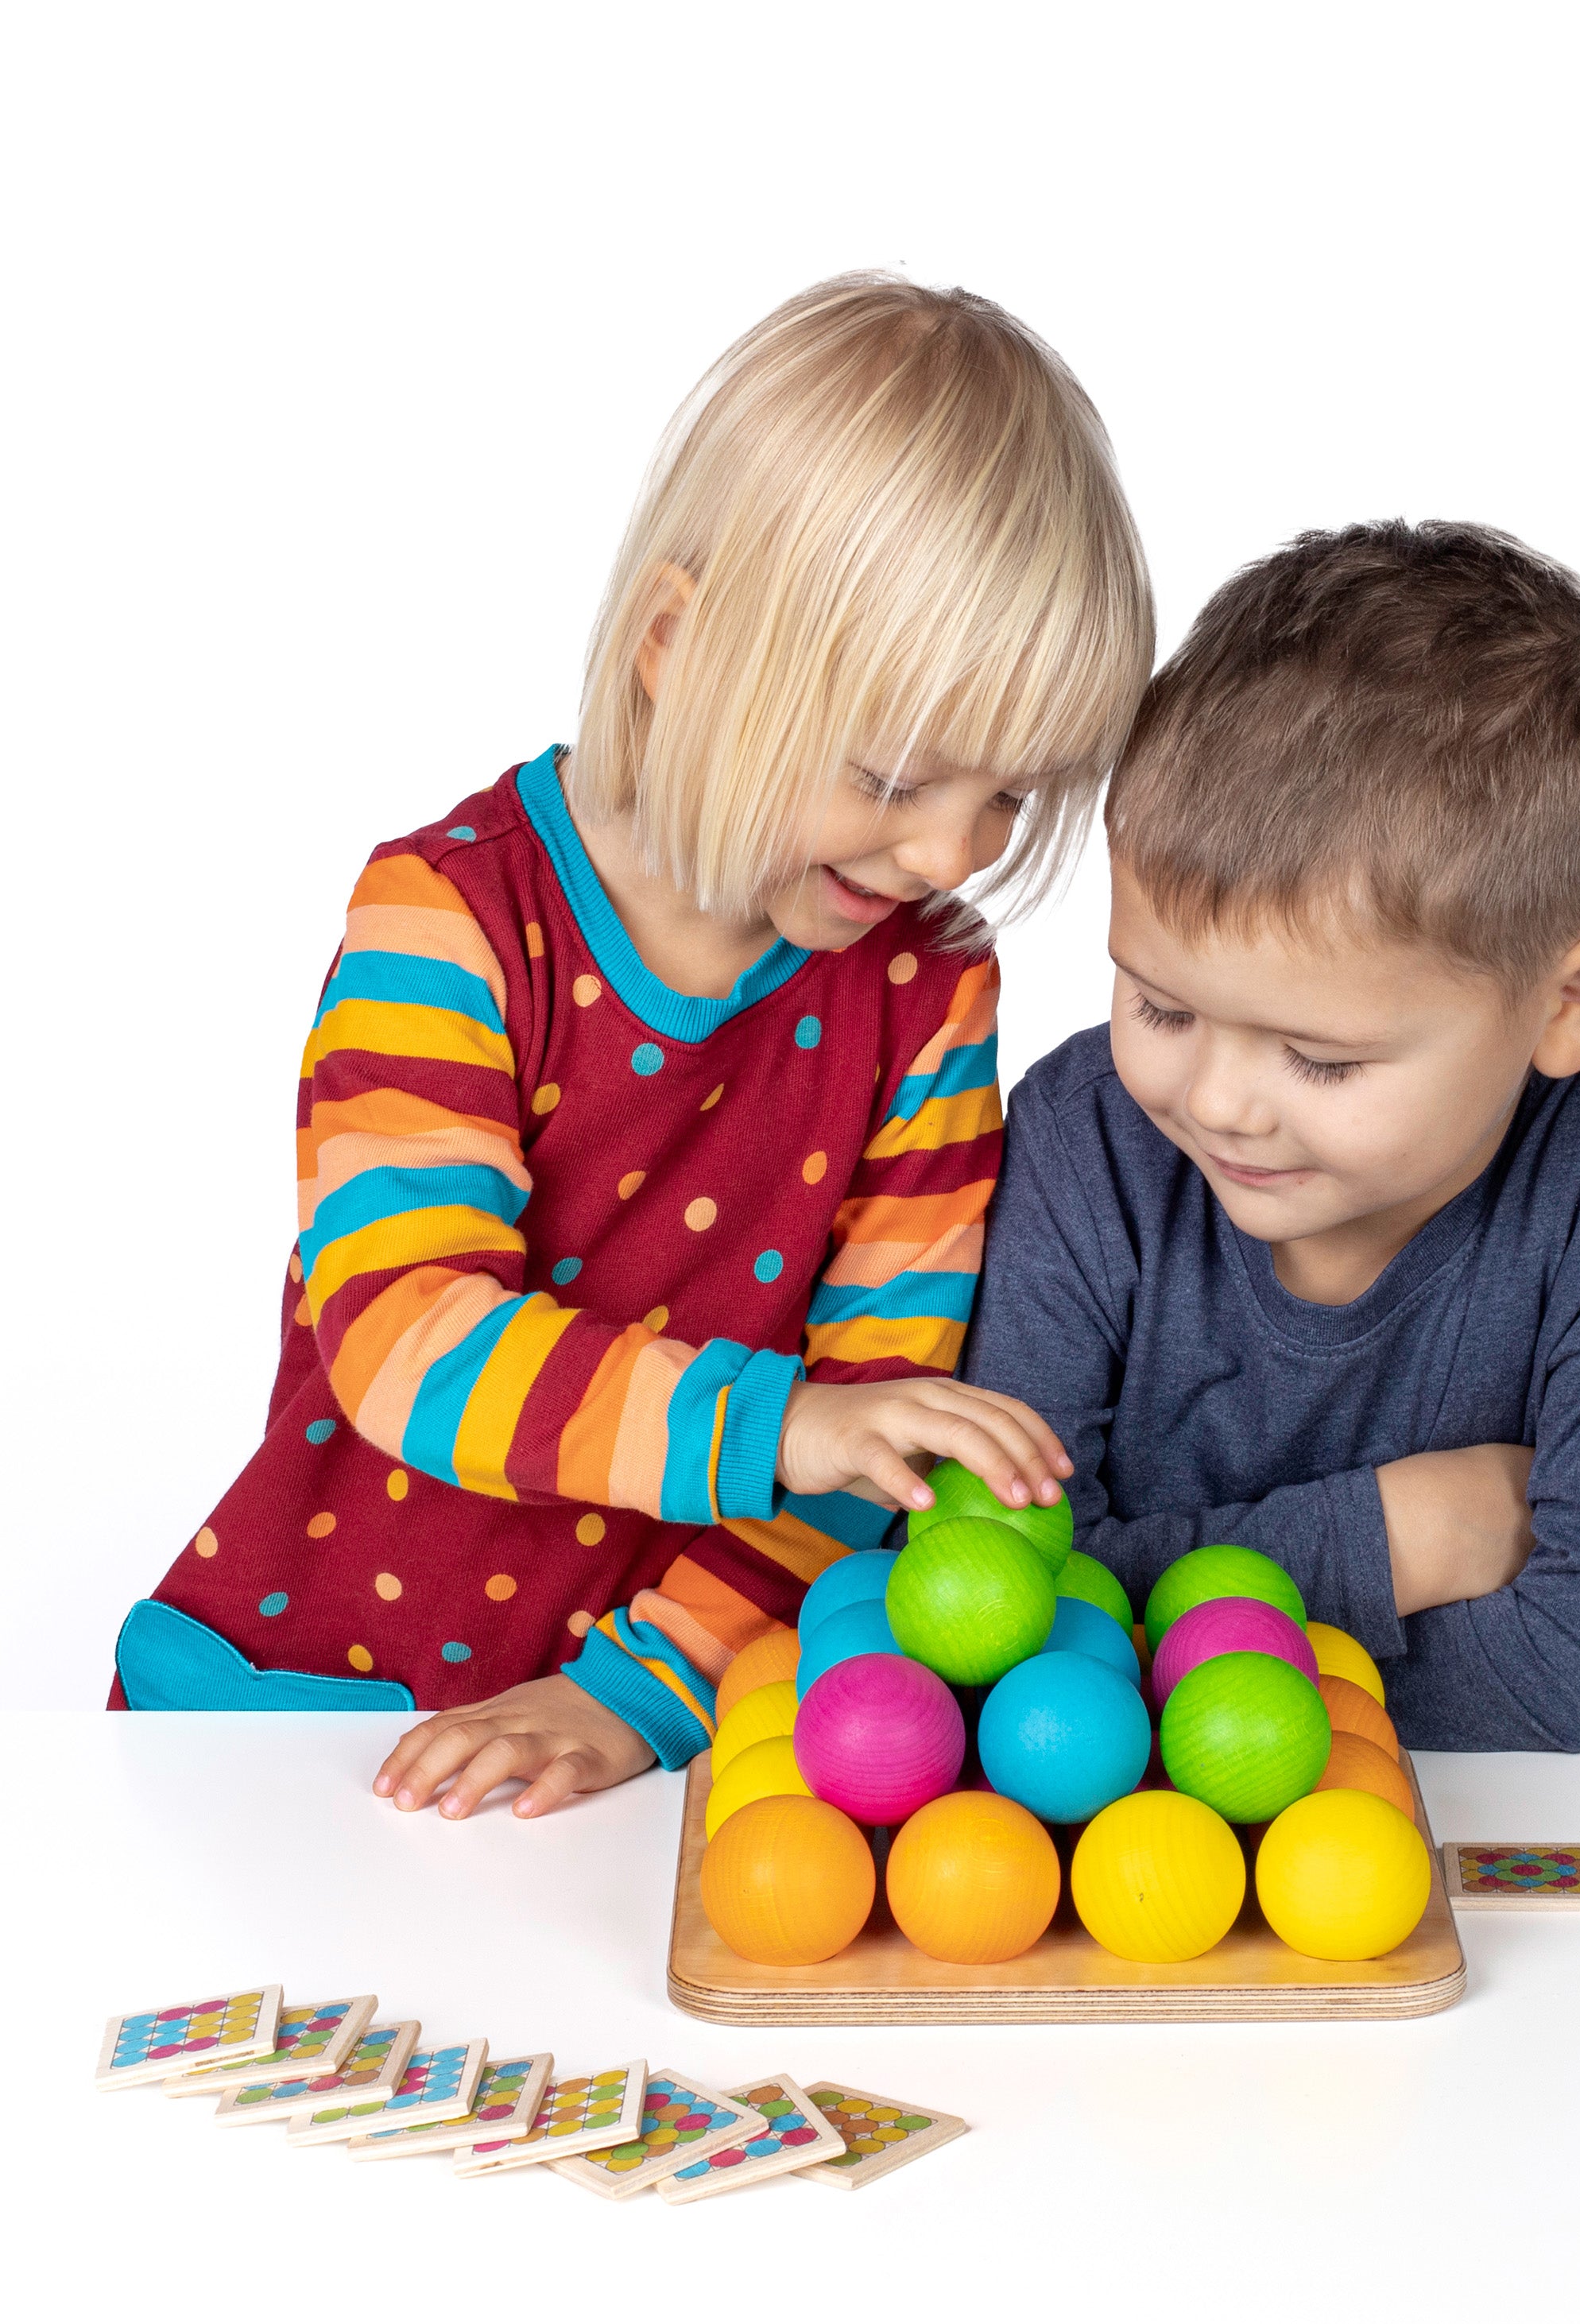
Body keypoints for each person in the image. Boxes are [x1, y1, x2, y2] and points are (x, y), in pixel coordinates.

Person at [117, 273, 1153, 1819]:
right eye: (892, 776)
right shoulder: (455, 917)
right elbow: (405, 1336)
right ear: (678, 642)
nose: (949, 851)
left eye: (1008, 795)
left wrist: (643, 1691)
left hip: (656, 1733)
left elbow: (885, 1419)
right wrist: (791, 1421)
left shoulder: (925, 983)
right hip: (315, 1700)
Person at [964, 521, 1580, 1750]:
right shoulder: (1087, 1140)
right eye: (1159, 1004)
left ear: (1569, 1002)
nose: (1218, 1101)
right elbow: (984, 1618)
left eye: (1320, 1058)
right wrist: (1396, 1537)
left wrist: (1152, 1660)